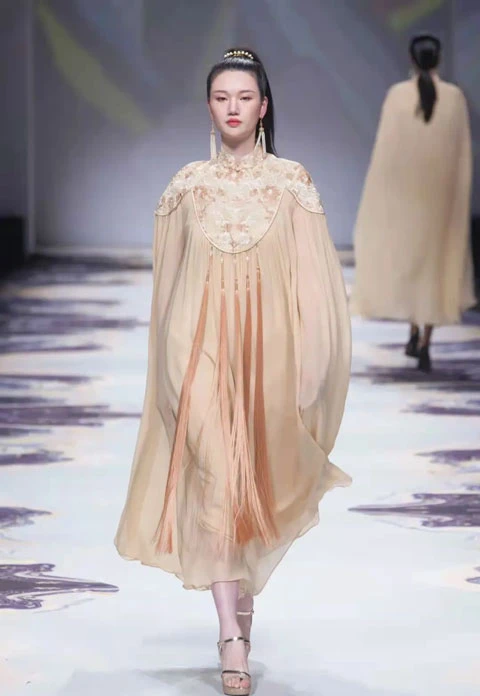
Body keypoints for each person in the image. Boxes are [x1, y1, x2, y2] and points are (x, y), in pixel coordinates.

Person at [114, 47, 351, 695]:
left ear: (264, 106)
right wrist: (167, 367)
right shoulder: (186, 186)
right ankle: (231, 637)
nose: (233, 108)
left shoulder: (292, 183)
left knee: (254, 495)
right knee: (217, 482)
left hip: (271, 359)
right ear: (209, 107)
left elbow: (315, 286)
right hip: (196, 353)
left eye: (245, 97)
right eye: (222, 98)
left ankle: (241, 612)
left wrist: (312, 365)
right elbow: (167, 287)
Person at [351, 34, 475, 372]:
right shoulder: (454, 97)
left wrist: (379, 197)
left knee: (412, 261)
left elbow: (385, 153)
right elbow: (462, 154)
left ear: (411, 59)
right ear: (439, 59)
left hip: (406, 198)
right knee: (434, 266)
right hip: (439, 199)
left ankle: (415, 331)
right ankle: (423, 341)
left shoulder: (398, 96)